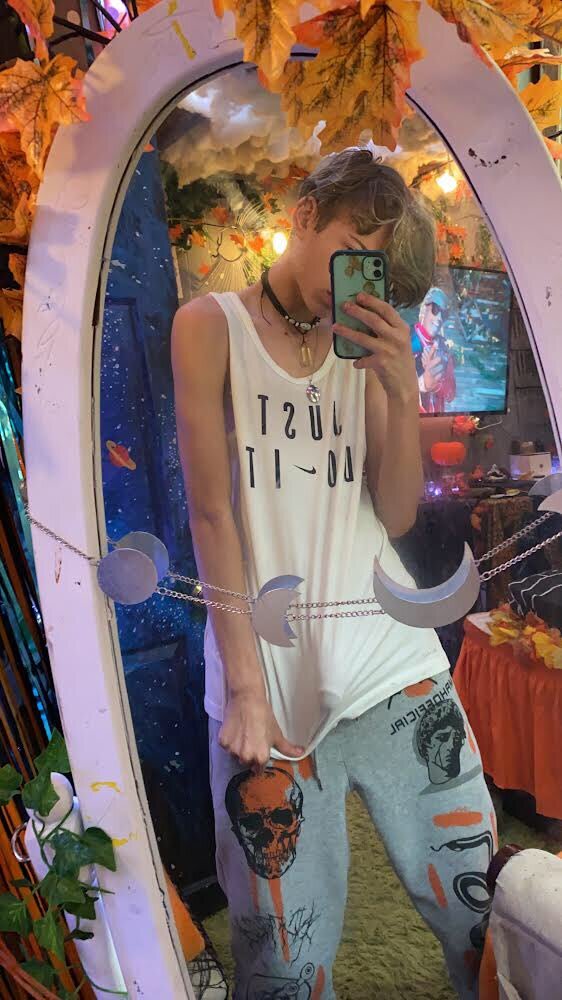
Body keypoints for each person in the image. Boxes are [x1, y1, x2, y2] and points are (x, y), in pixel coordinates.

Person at [171, 148, 495, 999]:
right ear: (307, 213)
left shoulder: (367, 350)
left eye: (378, 268)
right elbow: (211, 516)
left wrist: (399, 390)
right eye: (355, 249)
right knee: (281, 957)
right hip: (269, 691)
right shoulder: (209, 327)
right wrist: (245, 686)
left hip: (393, 663)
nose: (358, 279)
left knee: (480, 904)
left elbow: (395, 514)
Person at [411, 286, 456, 414]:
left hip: (436, 418)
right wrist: (424, 382)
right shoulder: (406, 341)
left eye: (444, 314)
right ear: (424, 309)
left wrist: (436, 383)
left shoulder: (444, 348)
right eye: (435, 310)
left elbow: (451, 394)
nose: (439, 318)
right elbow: (393, 388)